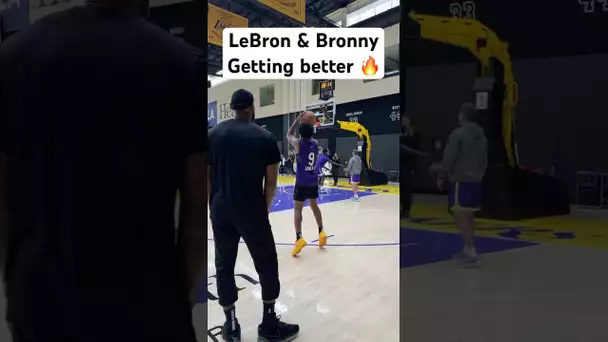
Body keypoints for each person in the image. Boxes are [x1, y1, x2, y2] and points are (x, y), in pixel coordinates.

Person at [0, 0, 207, 340]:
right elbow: (196, 211)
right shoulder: (182, 62)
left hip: (42, 298)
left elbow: (3, 192)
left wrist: (15, 286)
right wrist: (176, 300)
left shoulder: (13, 55)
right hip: (145, 300)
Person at [208, 89, 299, 342]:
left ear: (232, 107)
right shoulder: (265, 137)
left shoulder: (212, 135)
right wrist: (263, 209)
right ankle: (269, 324)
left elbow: (207, 176)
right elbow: (271, 183)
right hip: (251, 210)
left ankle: (232, 325)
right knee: (266, 262)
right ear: (251, 107)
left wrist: (212, 206)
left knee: (224, 265)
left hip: (220, 209)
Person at [438, 103, 488, 267]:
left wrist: (442, 173)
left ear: (462, 116)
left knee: (461, 216)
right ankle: (468, 248)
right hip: (476, 181)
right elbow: (484, 162)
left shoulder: (458, 134)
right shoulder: (482, 137)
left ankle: (472, 253)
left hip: (460, 180)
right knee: (469, 216)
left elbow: (449, 157)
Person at [286, 112, 328, 257]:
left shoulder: (298, 143)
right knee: (314, 206)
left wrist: (297, 120)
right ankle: (321, 231)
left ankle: (299, 238)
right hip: (313, 180)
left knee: (298, 209)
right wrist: (308, 124)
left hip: (301, 181)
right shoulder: (315, 144)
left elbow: (288, 134)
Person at [400, 116, 426, 218]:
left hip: (409, 164)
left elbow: (415, 147)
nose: (404, 122)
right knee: (402, 187)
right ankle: (402, 208)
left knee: (407, 187)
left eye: (406, 120)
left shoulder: (415, 134)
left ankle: (407, 208)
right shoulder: (401, 132)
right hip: (401, 162)